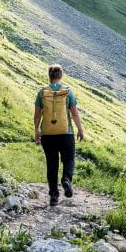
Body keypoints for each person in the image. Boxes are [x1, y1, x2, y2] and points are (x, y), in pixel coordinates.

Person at [32, 64, 84, 206]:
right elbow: (74, 113)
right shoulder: (67, 91)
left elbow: (37, 115)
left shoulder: (42, 92)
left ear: (49, 77)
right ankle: (66, 180)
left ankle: (54, 196)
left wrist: (37, 130)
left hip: (48, 134)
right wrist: (80, 129)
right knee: (69, 159)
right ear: (61, 76)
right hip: (65, 133)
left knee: (52, 164)